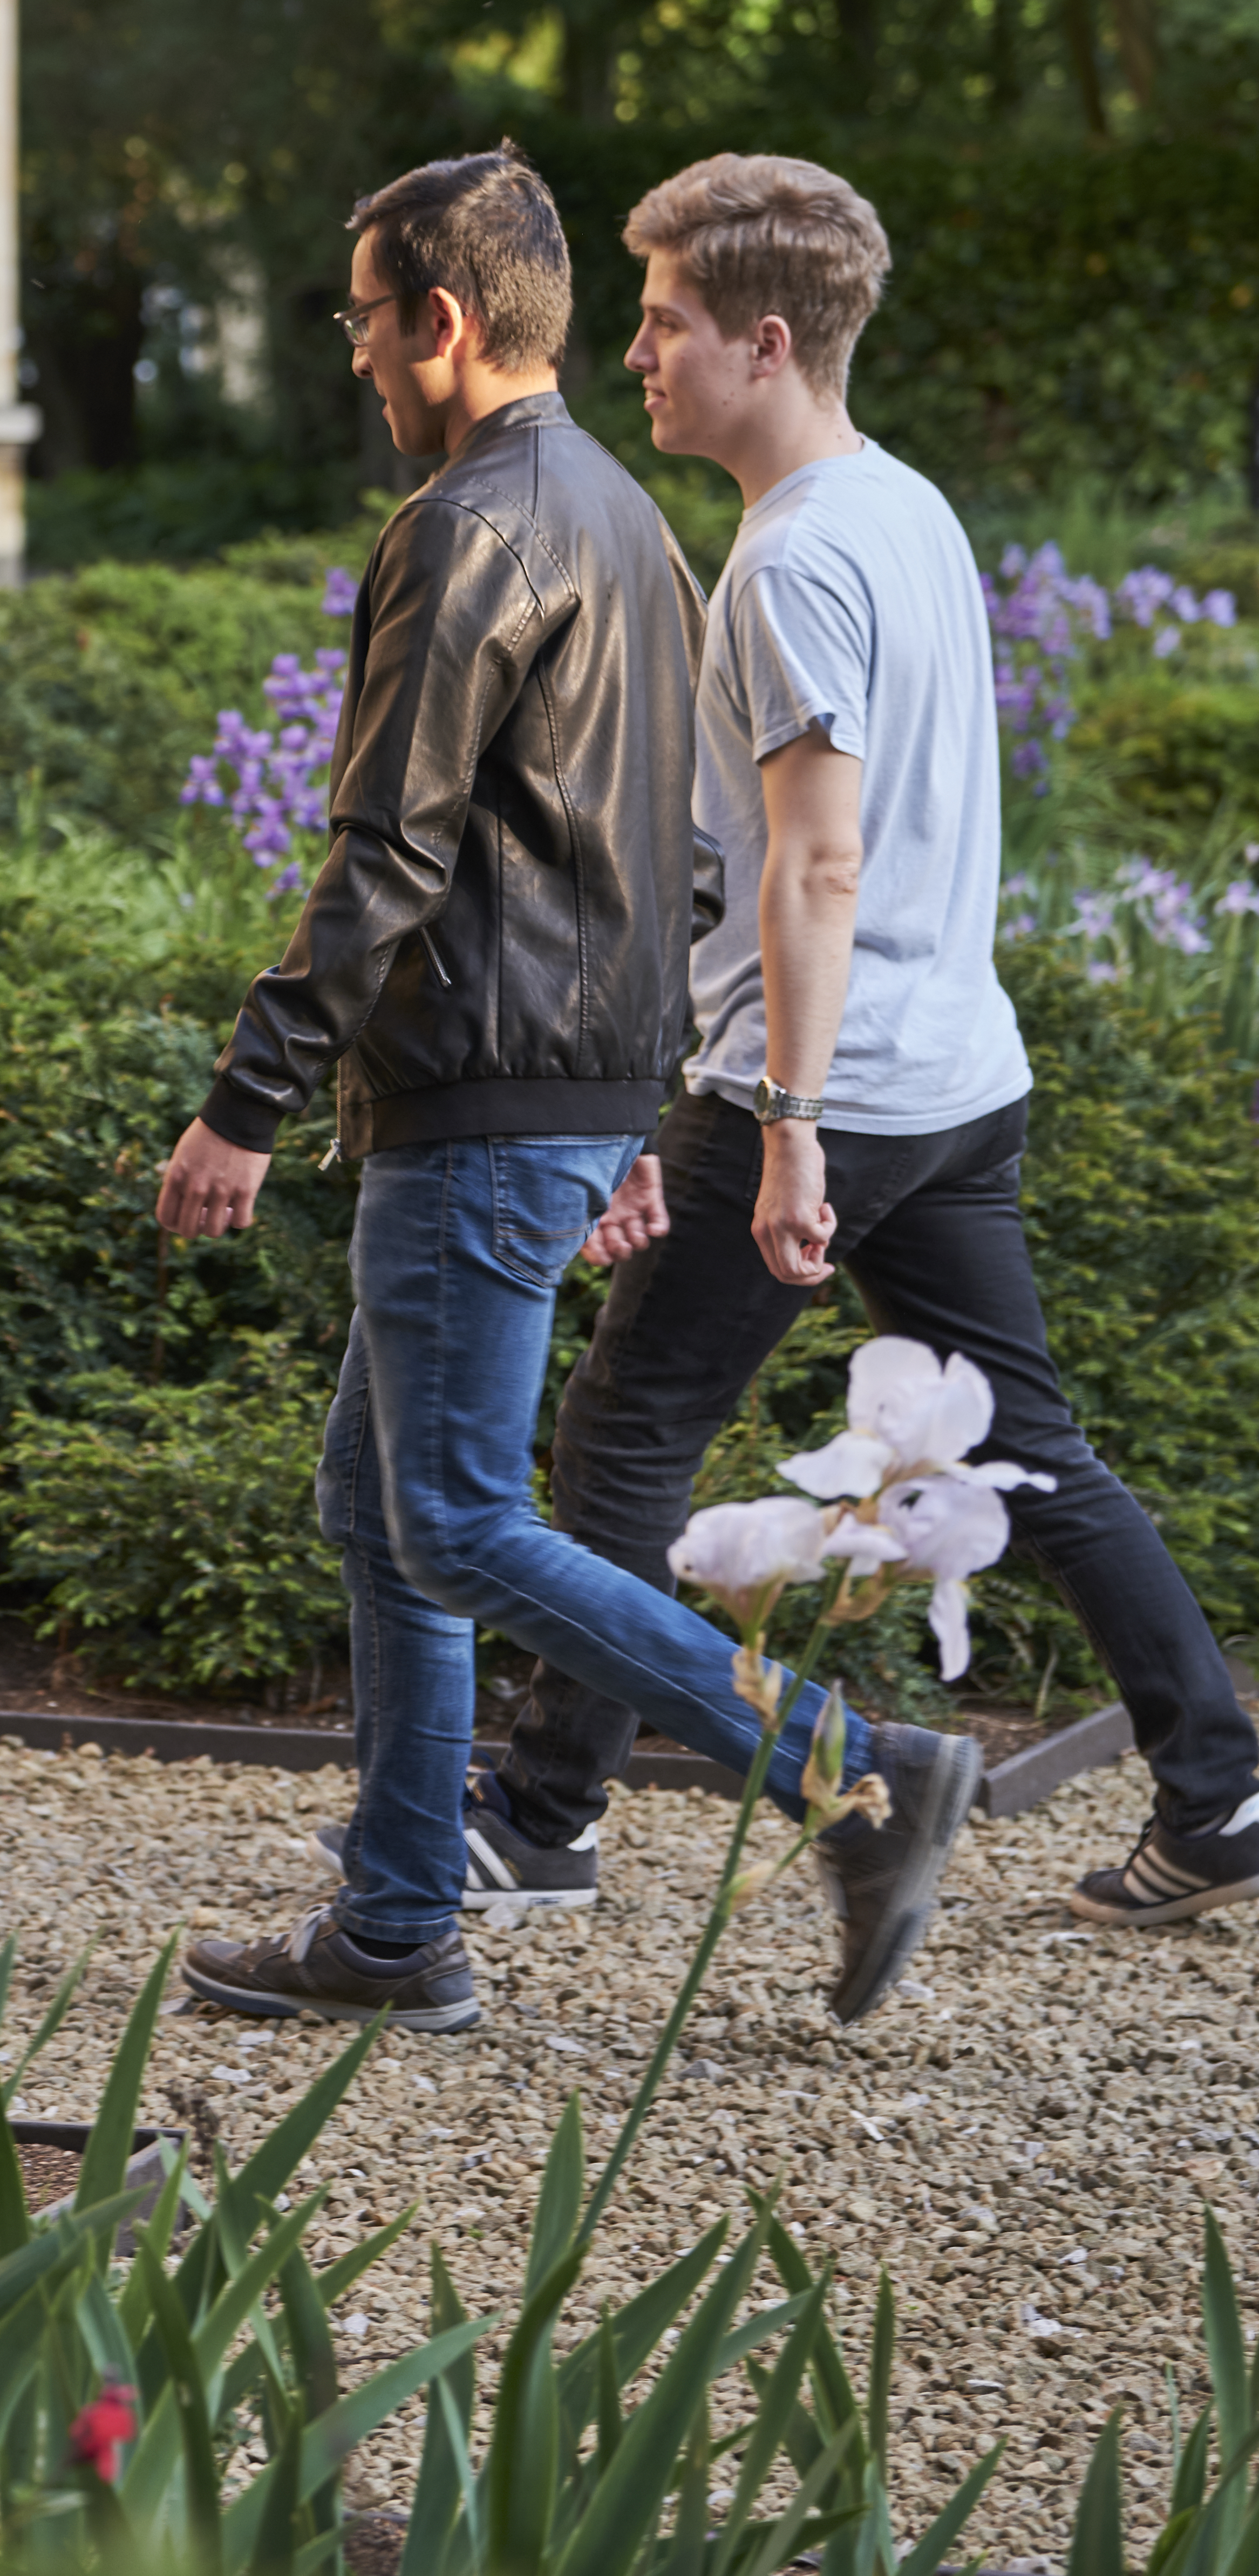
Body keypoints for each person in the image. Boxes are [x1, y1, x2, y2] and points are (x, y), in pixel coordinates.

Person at [357, 149, 1259, 1940]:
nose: (635, 353)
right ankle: (1222, 1781)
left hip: (825, 1083)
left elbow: (817, 858)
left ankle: (543, 1810)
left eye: (666, 322)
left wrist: (781, 1123)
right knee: (1034, 1447)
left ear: (766, 341)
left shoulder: (788, 567)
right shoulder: (904, 507)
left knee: (620, 1440)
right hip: (958, 1075)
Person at [156, 141, 982, 2037]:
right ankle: (392, 1925)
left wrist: (247, 1098)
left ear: (439, 321)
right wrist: (630, 1105)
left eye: (364, 318)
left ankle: (854, 1771)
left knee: (445, 1512)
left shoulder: (469, 528)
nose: (356, 353)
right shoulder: (620, 511)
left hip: (479, 1105)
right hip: (556, 1092)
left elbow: (385, 857)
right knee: (384, 1502)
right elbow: (684, 860)